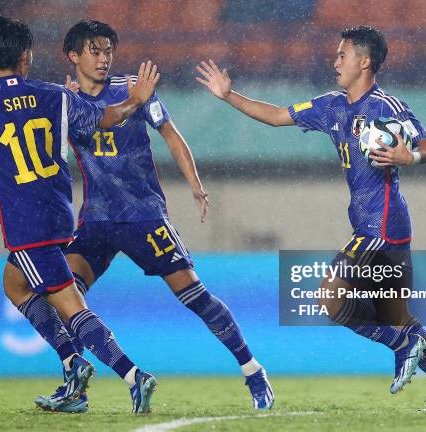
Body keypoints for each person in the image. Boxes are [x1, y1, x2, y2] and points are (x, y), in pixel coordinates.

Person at [196, 25, 426, 411]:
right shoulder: (331, 105)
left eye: (343, 54)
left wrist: (412, 157)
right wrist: (227, 96)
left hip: (383, 222)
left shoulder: (385, 107)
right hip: (368, 223)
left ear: (365, 61)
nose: (335, 60)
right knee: (392, 312)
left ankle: (403, 344)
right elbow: (276, 116)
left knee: (330, 297)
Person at [35, 20, 273, 413]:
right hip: (96, 220)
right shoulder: (65, 101)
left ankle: (253, 370)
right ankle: (76, 386)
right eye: (95, 50)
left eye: (108, 50)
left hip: (144, 216)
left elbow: (171, 134)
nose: (104, 58)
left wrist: (195, 183)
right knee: (63, 297)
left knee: (195, 297)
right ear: (73, 56)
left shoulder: (133, 88)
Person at [0, 16, 160, 414]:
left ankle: (132, 375)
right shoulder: (55, 95)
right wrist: (135, 101)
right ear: (26, 55)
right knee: (15, 284)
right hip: (57, 212)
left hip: (25, 222)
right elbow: (105, 117)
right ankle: (74, 368)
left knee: (69, 305)